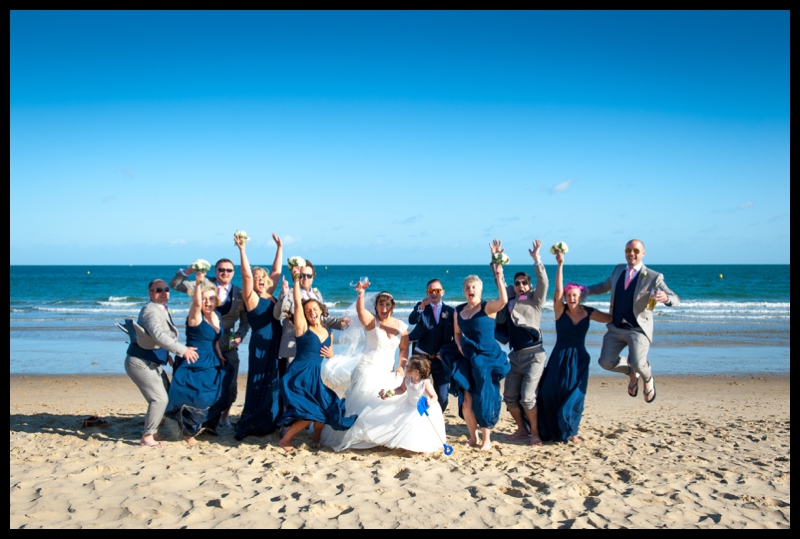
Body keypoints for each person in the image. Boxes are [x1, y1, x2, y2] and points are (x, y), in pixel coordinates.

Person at [586, 239, 680, 403]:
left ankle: (648, 377)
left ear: (643, 253)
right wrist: (583, 291)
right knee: (605, 362)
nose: (631, 254)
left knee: (638, 362)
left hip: (637, 329)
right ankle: (632, 373)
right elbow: (604, 286)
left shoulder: (653, 277)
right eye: (628, 250)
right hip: (615, 327)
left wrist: (665, 298)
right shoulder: (618, 270)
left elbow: (675, 298)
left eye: (636, 251)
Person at [319, 283, 410, 451]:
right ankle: (357, 435)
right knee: (362, 402)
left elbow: (404, 348)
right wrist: (361, 293)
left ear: (392, 306)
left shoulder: (401, 327)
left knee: (387, 401)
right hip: (367, 368)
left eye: (387, 304)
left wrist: (401, 366)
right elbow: (360, 311)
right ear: (376, 306)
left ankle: (378, 435)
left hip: (387, 370)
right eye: (381, 304)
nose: (384, 308)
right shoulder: (371, 322)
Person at [277, 263, 356, 451]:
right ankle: (285, 440)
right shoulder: (303, 328)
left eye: (315, 309)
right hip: (300, 375)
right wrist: (296, 280)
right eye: (308, 311)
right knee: (308, 413)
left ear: (321, 310)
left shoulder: (328, 331)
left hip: (316, 376)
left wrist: (331, 353)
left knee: (326, 409)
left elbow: (329, 353)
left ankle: (317, 438)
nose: (312, 313)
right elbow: (297, 301)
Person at [440, 240, 509, 451]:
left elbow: (504, 300)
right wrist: (459, 347)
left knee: (485, 395)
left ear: (479, 291)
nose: (471, 289)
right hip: (466, 356)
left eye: (474, 287)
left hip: (486, 358)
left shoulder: (488, 307)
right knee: (467, 398)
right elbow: (457, 333)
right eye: (468, 287)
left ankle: (487, 439)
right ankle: (473, 437)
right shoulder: (458, 310)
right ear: (464, 290)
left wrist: (499, 271)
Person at [538, 251, 611, 443]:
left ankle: (572, 431)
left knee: (575, 394)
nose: (571, 298)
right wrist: (560, 264)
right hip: (559, 356)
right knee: (549, 391)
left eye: (575, 295)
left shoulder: (589, 312)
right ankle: (550, 428)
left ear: (581, 297)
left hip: (579, 357)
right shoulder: (560, 310)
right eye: (569, 295)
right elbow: (557, 291)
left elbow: (611, 319)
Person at [170, 257, 251, 429]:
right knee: (201, 386)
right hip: (203, 343)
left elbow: (245, 320)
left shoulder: (239, 293)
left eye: (229, 270)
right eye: (221, 269)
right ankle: (199, 419)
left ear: (233, 273)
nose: (225, 273)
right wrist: (190, 270)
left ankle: (224, 417)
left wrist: (240, 335)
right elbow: (175, 285)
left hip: (226, 343)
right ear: (215, 271)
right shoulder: (203, 283)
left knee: (230, 382)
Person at [123, 279, 198, 448]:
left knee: (164, 393)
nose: (163, 292)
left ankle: (154, 430)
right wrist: (183, 350)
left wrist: (167, 353)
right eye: (158, 290)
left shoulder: (159, 308)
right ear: (150, 294)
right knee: (159, 399)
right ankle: (147, 436)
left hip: (150, 361)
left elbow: (153, 337)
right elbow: (158, 335)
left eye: (166, 289)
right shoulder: (151, 311)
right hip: (140, 363)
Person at [165, 271, 233, 445]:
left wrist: (219, 355)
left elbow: (215, 339)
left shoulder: (216, 316)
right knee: (198, 397)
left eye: (211, 298)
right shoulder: (195, 317)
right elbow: (196, 303)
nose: (208, 302)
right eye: (204, 299)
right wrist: (197, 284)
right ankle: (188, 433)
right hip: (196, 360)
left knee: (215, 395)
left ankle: (206, 426)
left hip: (212, 360)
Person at [494, 239, 549, 446]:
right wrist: (497, 260)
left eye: (524, 283)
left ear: (529, 285)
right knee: (509, 397)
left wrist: (537, 260)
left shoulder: (535, 299)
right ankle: (521, 430)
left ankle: (535, 433)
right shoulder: (509, 298)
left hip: (534, 355)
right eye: (517, 283)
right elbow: (499, 279)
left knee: (527, 398)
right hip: (515, 356)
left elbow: (543, 282)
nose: (520, 286)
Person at [233, 233, 284, 440]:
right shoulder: (251, 297)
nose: (260, 281)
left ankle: (272, 418)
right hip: (262, 344)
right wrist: (242, 251)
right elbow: (245, 276)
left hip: (276, 342)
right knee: (260, 380)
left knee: (274, 379)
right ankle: (255, 419)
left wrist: (280, 248)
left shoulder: (269, 294)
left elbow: (276, 272)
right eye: (256, 279)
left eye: (262, 278)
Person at [353, 355, 446, 454]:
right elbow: (401, 389)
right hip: (410, 405)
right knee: (407, 426)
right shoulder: (407, 379)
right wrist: (390, 392)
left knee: (421, 428)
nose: (405, 367)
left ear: (416, 372)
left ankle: (423, 448)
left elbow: (434, 396)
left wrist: (430, 402)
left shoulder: (425, 383)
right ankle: (411, 447)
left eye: (408, 366)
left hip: (424, 408)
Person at [274, 260, 349, 378]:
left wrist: (342, 322)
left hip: (313, 349)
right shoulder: (289, 293)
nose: (305, 278)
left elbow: (323, 319)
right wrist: (283, 295)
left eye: (308, 275)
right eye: (302, 275)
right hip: (294, 347)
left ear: (313, 277)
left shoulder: (317, 294)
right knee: (293, 385)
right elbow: (277, 315)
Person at [407, 279, 455, 411]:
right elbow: (412, 320)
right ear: (427, 292)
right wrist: (421, 307)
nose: (433, 293)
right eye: (430, 291)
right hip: (421, 358)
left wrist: (446, 352)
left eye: (437, 290)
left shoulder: (450, 311)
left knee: (442, 397)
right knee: (417, 392)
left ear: (442, 292)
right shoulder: (421, 307)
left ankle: (437, 420)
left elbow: (455, 336)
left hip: (441, 360)